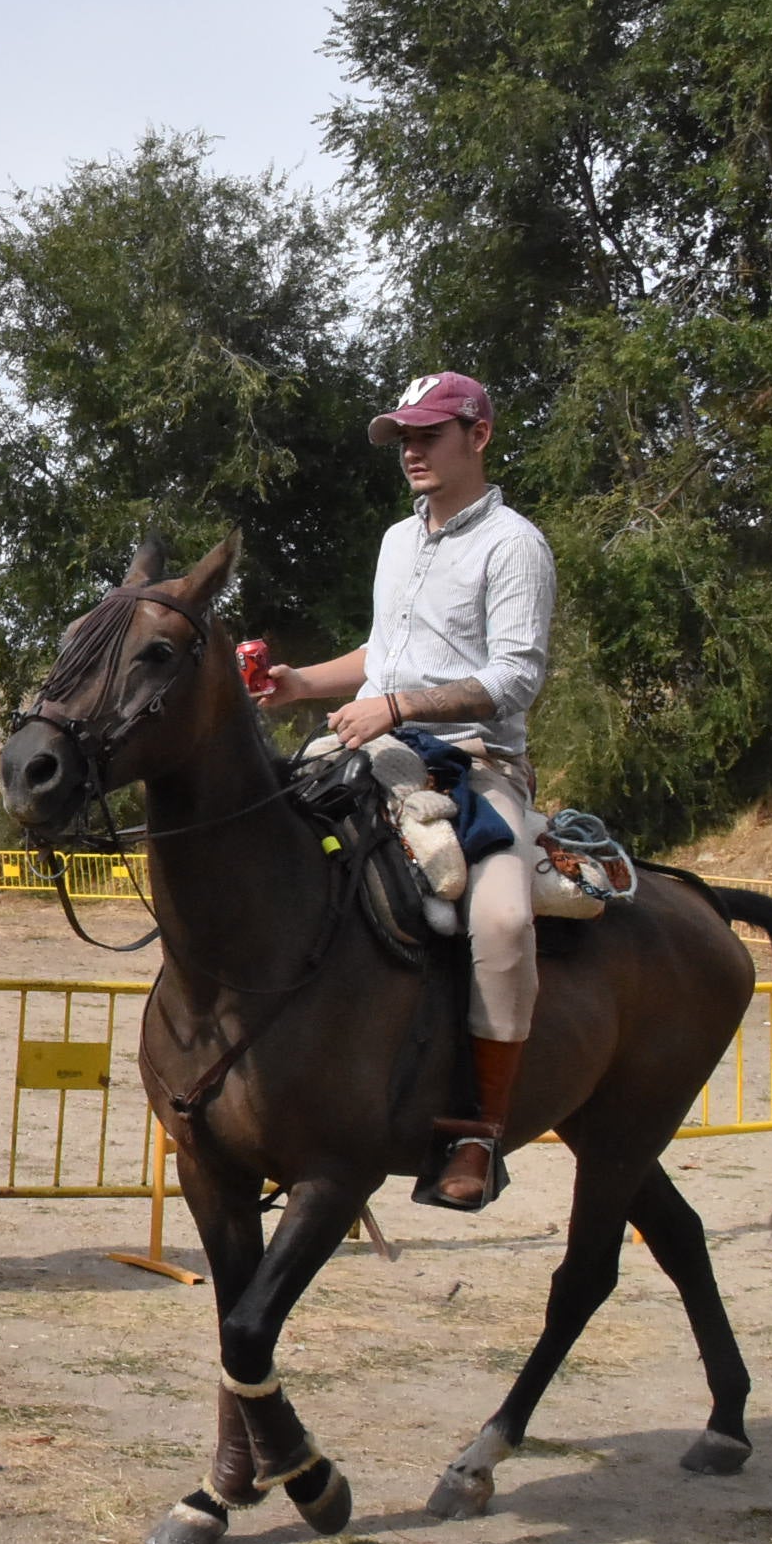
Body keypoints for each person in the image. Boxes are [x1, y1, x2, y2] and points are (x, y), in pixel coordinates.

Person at [254, 371, 555, 1211]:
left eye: (428, 435)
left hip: (475, 761)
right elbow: (384, 651)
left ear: (479, 434)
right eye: (403, 439)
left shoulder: (514, 544)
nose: (412, 452)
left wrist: (399, 705)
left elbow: (516, 678)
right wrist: (302, 682)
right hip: (367, 746)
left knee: (497, 920)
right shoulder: (396, 540)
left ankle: (476, 1133)